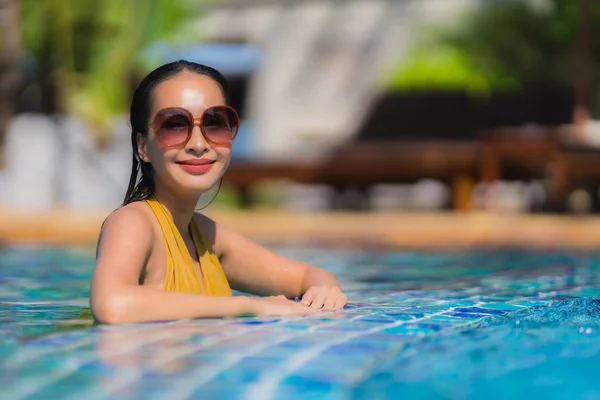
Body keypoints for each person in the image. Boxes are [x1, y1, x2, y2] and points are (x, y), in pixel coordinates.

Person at [90, 60, 347, 324]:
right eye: (174, 125)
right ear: (143, 146)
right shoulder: (132, 223)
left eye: (214, 123)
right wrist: (249, 306)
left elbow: (307, 275)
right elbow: (112, 305)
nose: (199, 144)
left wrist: (324, 290)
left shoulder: (206, 236)